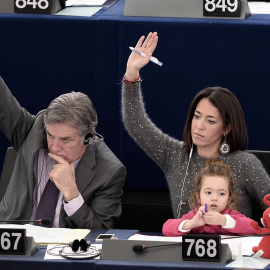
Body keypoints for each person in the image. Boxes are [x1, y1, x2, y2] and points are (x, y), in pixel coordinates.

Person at [121, 31, 270, 221]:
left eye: (210, 121)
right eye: (197, 116)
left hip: (235, 248)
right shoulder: (174, 156)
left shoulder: (245, 164)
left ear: (227, 128)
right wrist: (132, 73)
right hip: (184, 247)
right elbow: (136, 124)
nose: (199, 126)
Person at [0, 77, 126, 229]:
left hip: (64, 247)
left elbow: (100, 231)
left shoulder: (109, 171)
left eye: (65, 140)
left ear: (88, 137)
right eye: (50, 136)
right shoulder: (32, 131)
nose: (54, 147)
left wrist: (71, 192)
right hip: (12, 237)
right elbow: (3, 104)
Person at [162, 159, 256, 236]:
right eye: (208, 192)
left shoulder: (231, 215)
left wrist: (224, 221)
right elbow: (166, 228)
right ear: (198, 197)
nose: (214, 198)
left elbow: (253, 227)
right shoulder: (195, 215)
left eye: (221, 194)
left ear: (229, 199)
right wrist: (191, 223)